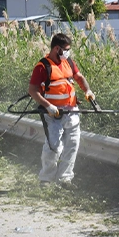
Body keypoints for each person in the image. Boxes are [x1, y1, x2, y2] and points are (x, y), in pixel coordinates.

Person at [28, 33, 94, 188]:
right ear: (56, 48)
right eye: (66, 49)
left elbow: (79, 77)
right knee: (54, 147)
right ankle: (46, 179)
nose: (68, 52)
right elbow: (32, 90)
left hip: (72, 111)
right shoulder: (42, 66)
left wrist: (88, 91)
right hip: (53, 114)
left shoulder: (68, 62)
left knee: (72, 145)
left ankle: (65, 179)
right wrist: (48, 106)